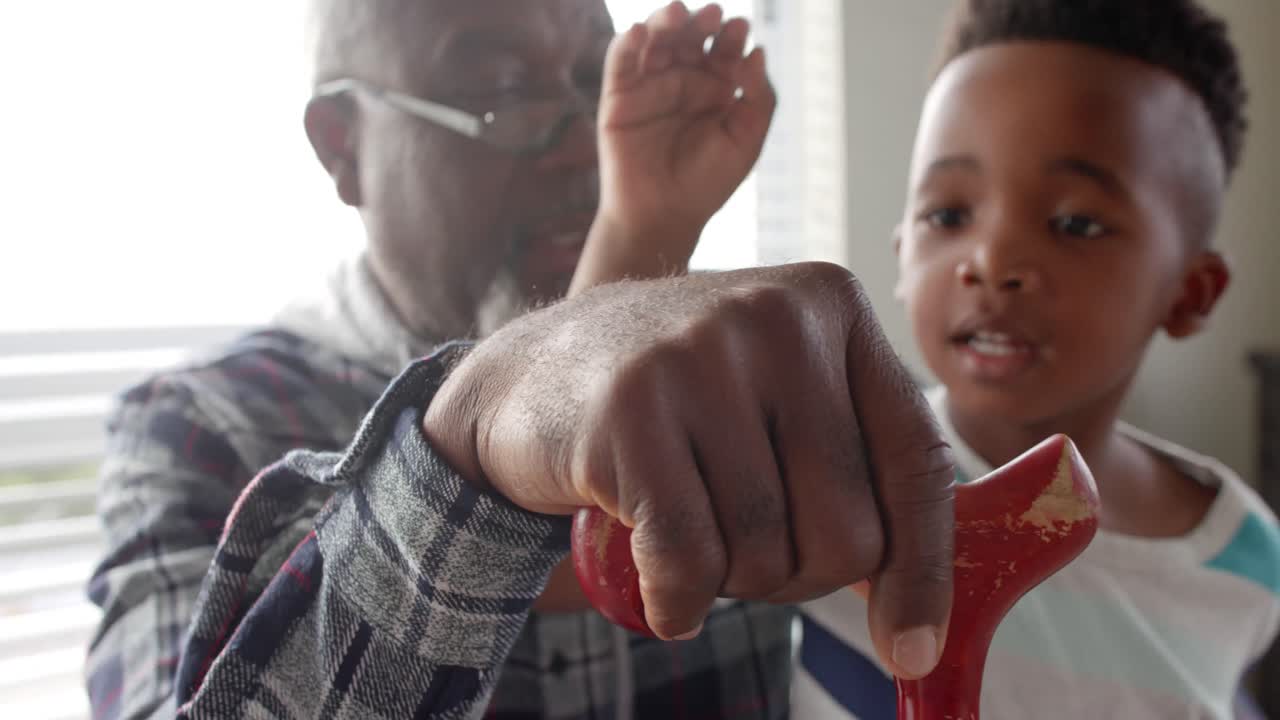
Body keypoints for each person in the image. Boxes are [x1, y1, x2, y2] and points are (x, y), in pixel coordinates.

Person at [85, 2, 958, 719]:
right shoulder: (206, 429)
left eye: (590, 80)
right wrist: (468, 445)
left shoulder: (728, 385)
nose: (582, 144)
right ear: (341, 145)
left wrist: (640, 238)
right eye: (499, 95)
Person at [789, 1, 1280, 717]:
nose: (989, 262)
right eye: (949, 215)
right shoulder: (838, 473)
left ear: (1190, 293)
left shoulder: (1246, 557)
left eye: (1074, 222)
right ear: (901, 253)